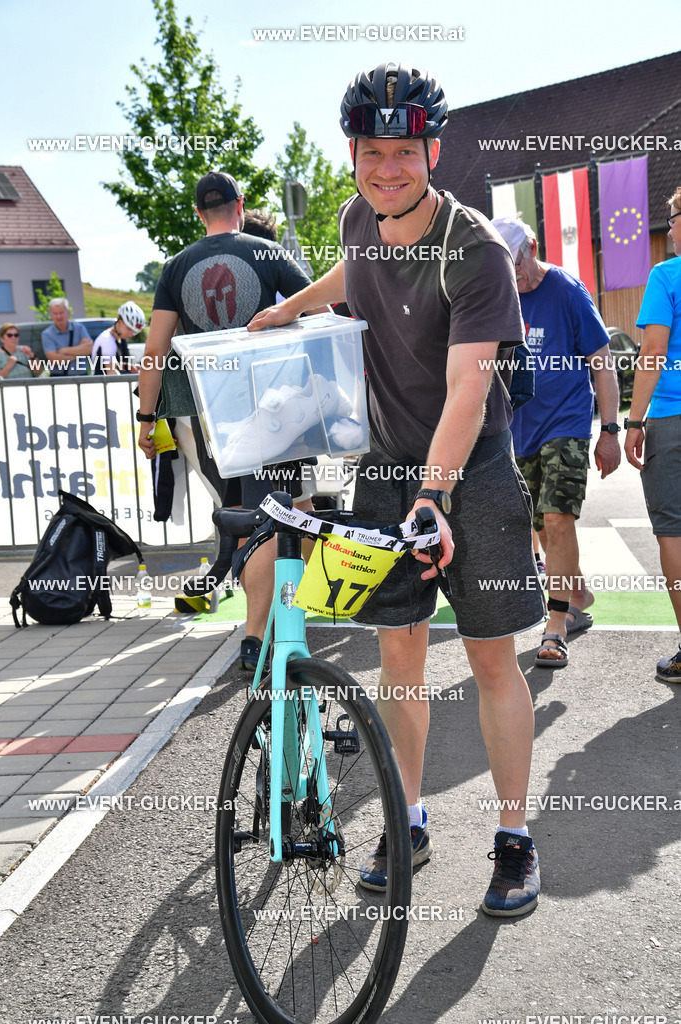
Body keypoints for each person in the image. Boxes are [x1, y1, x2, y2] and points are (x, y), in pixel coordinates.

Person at [249, 63, 546, 916]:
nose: (387, 169)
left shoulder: (475, 251)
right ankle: (406, 819)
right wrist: (290, 310)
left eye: (404, 153)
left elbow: (467, 390)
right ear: (352, 155)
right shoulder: (357, 216)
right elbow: (354, 271)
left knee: (490, 659)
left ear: (432, 153)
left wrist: (432, 494)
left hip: (470, 474)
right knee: (399, 656)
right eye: (371, 153)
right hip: (385, 473)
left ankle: (514, 839)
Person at [137, 171, 317, 672]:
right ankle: (261, 632)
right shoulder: (268, 253)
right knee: (285, 514)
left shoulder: (175, 267)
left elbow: (154, 349)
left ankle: (267, 623)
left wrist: (146, 419)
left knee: (247, 516)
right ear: (240, 205)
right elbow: (321, 309)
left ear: (199, 213)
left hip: (212, 419)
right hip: (275, 408)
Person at [492, 216, 622, 667]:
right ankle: (577, 592)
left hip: (566, 423)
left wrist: (610, 431)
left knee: (557, 517)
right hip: (519, 431)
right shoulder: (499, 295)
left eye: (517, 263)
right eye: (505, 267)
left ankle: (556, 624)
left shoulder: (567, 290)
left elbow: (602, 362)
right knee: (543, 526)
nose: (515, 276)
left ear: (532, 247)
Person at [625, 185, 681, 682]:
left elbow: (653, 351)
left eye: (672, 219)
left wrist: (633, 420)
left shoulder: (666, 275)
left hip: (670, 419)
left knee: (674, 531)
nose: (669, 229)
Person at [91, 301, 146, 375]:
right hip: (100, 382)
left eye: (134, 331)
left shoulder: (121, 338)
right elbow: (111, 372)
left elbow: (114, 364)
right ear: (119, 321)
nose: (131, 334)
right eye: (129, 329)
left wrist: (127, 366)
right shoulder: (107, 340)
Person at [42, 297, 92, 376]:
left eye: (61, 313)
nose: (58, 317)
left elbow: (89, 349)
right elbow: (54, 359)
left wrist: (62, 351)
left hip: (82, 377)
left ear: (68, 312)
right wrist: (79, 352)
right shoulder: (47, 334)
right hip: (59, 378)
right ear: (51, 315)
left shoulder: (79, 328)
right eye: (55, 313)